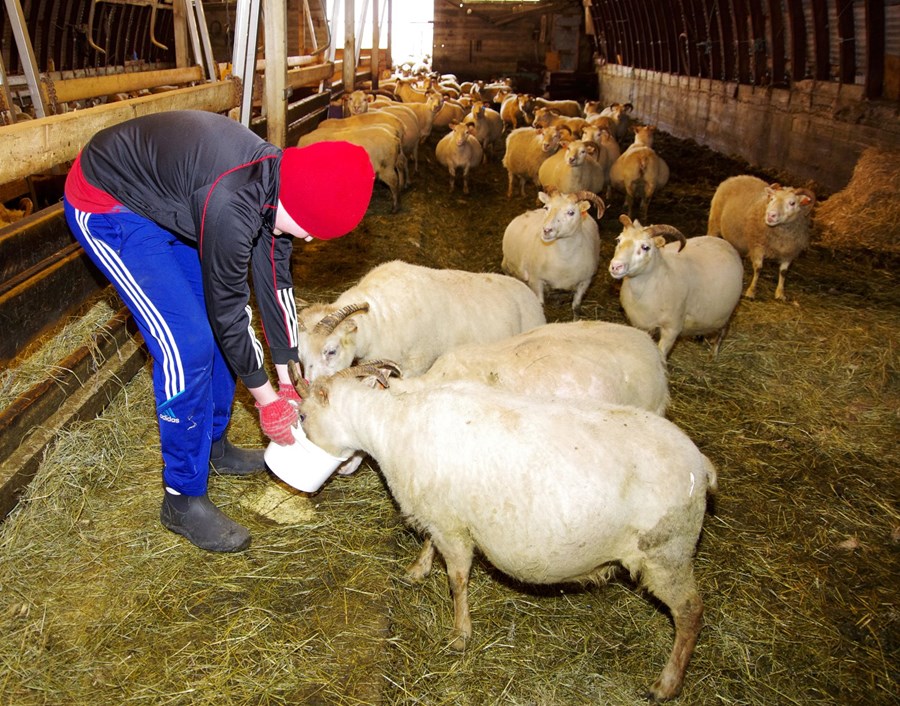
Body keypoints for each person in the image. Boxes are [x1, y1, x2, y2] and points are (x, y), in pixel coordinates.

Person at [63, 109, 376, 553]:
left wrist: (286, 375)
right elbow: (229, 308)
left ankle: (213, 442)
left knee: (214, 330)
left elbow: (275, 288)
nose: (308, 241)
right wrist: (266, 400)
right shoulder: (233, 201)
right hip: (112, 205)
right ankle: (181, 497)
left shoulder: (278, 189)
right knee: (186, 344)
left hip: (172, 198)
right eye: (311, 231)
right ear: (298, 206)